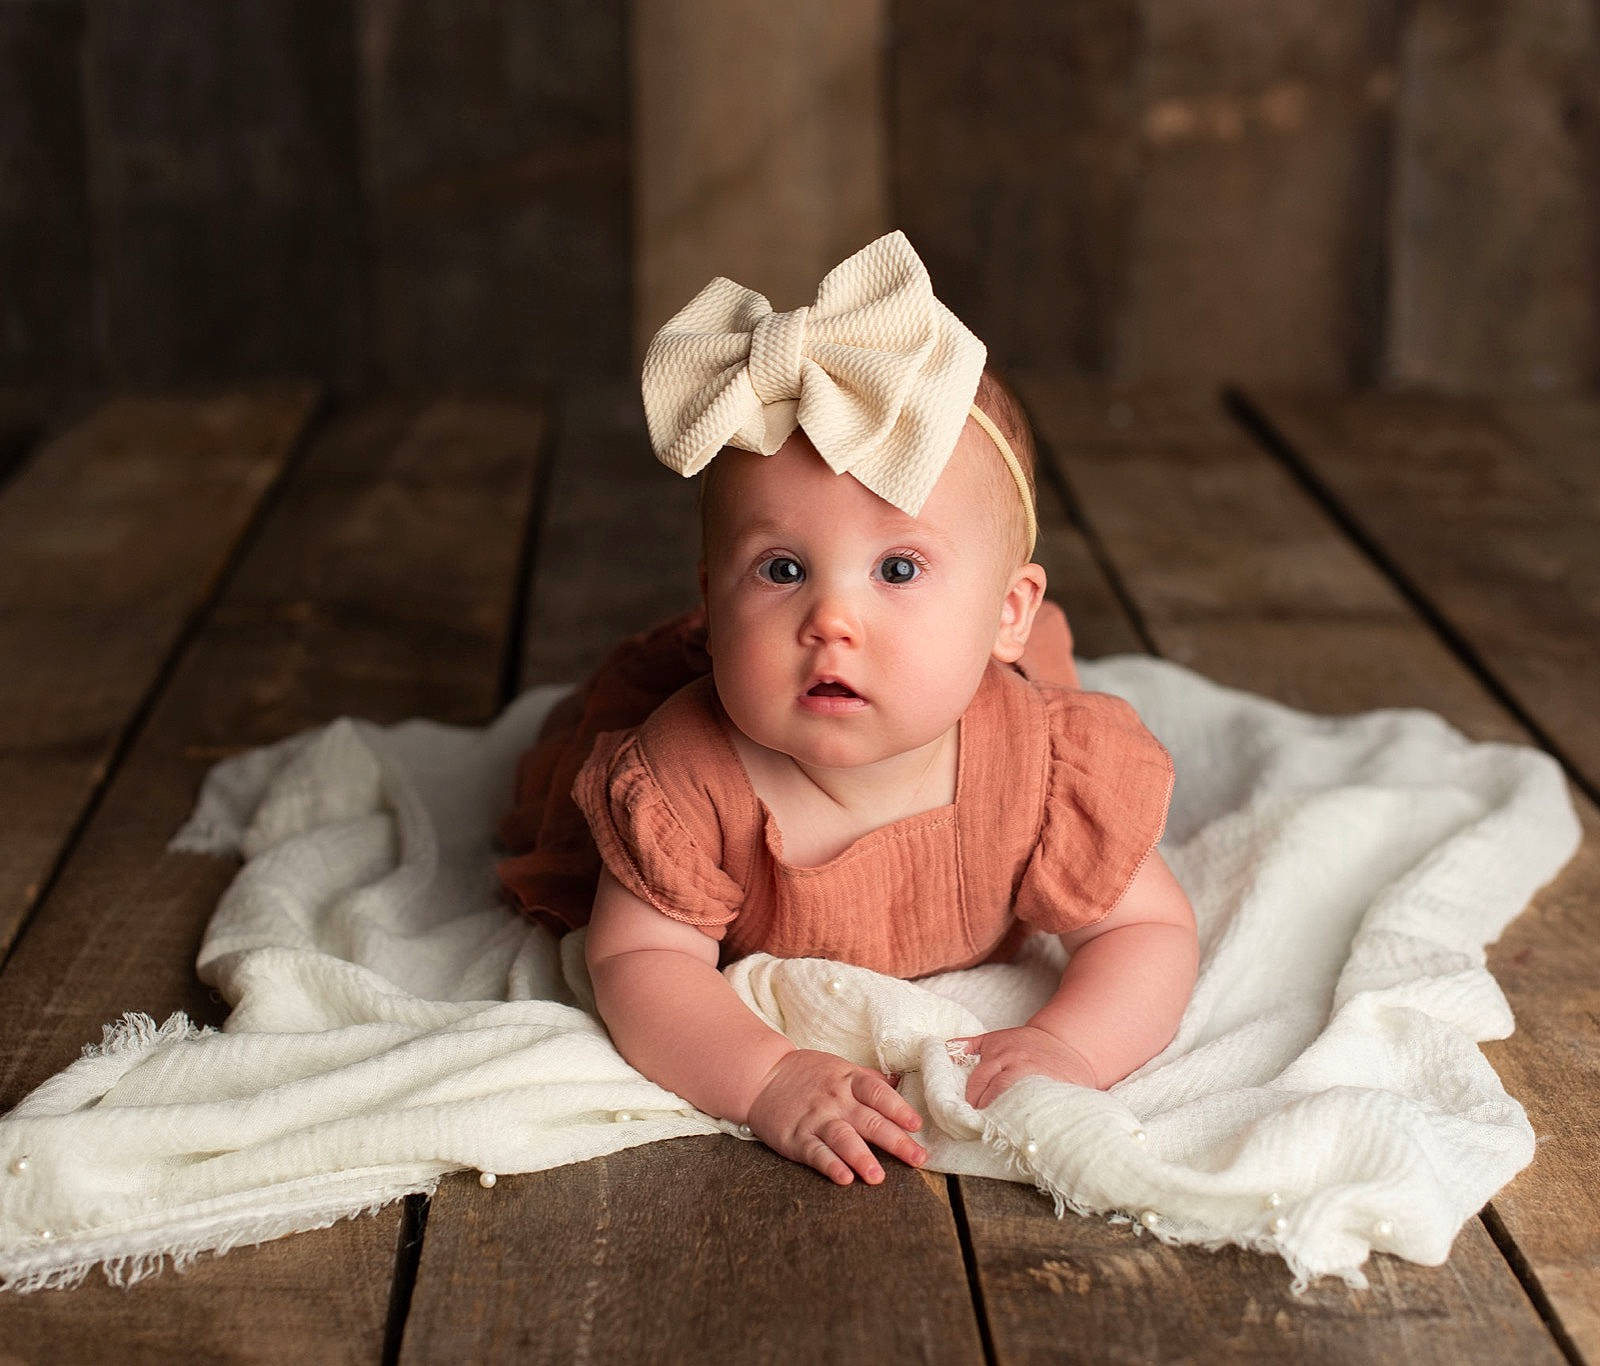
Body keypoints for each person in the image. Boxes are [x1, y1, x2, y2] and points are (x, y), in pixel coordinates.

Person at [495, 230, 1198, 1188]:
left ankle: (975, 630)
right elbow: (638, 965)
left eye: (898, 569)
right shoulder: (684, 779)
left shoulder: (1042, 773)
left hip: (996, 697)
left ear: (1005, 613)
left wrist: (1068, 1046)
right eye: (781, 570)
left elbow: (1146, 932)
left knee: (1044, 686)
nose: (831, 620)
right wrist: (767, 1075)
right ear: (713, 597)